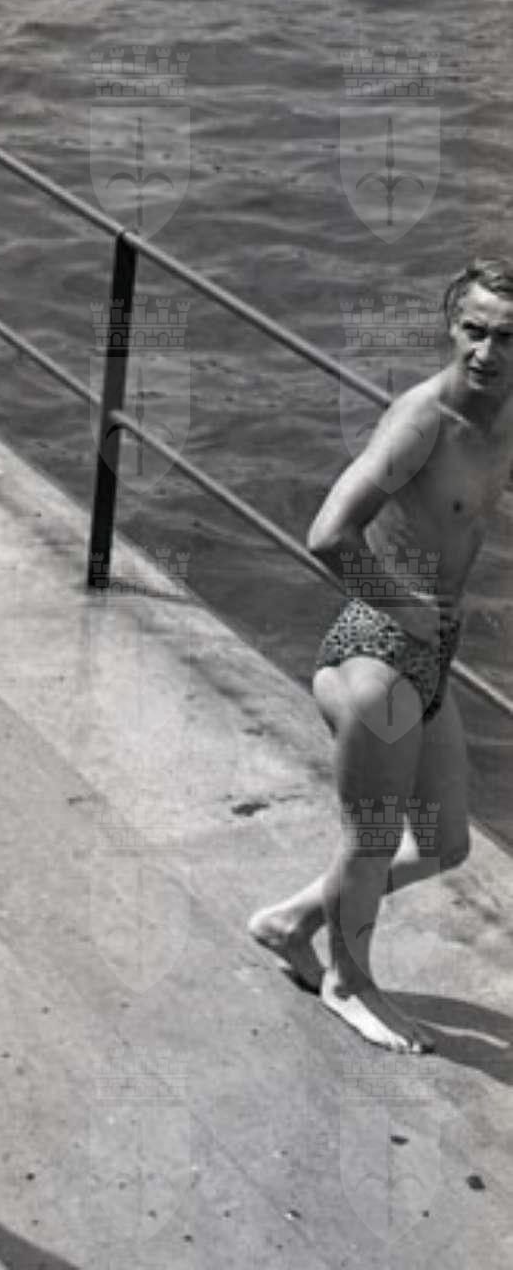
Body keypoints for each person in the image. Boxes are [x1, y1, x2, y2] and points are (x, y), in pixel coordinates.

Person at [247, 260, 513, 1053]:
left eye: (506, 337)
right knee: (369, 839)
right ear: (449, 325)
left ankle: (290, 922)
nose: (485, 352)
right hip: (375, 656)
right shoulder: (421, 421)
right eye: (473, 330)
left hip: (429, 656)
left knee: (441, 844)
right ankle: (347, 982)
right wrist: (401, 605)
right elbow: (327, 534)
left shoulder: (500, 417)